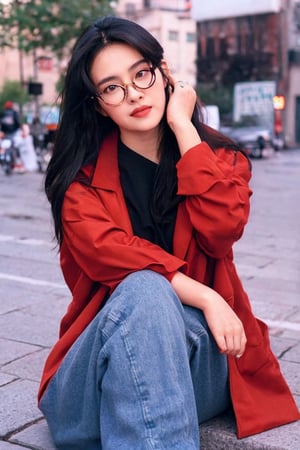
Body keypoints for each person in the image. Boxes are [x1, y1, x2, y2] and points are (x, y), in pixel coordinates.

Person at [38, 16, 299, 450]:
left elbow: (221, 232)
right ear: (100, 104)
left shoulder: (221, 159)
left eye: (142, 74)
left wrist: (183, 128)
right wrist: (207, 296)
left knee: (150, 293)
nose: (134, 93)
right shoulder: (78, 182)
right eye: (112, 87)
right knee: (143, 290)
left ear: (164, 74)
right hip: (92, 383)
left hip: (196, 363)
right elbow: (112, 254)